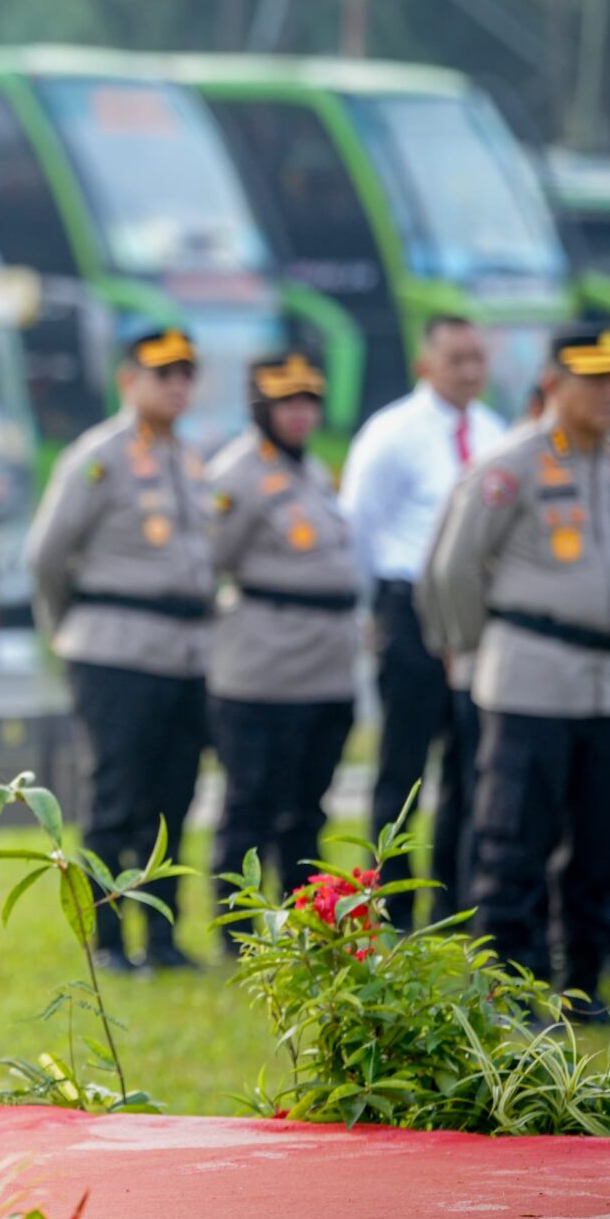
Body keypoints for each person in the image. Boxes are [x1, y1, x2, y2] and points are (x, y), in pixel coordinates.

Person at [420, 323, 610, 1015]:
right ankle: (506, 985)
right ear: (554, 382)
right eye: (595, 379)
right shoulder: (511, 462)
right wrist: (469, 646)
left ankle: (580, 980)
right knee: (514, 838)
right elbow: (451, 566)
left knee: (599, 838)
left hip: (606, 680)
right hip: (530, 675)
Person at [26, 327, 215, 972]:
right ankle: (106, 942)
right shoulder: (98, 456)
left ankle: (160, 937)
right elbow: (47, 555)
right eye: (162, 373)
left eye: (186, 373)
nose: (176, 385)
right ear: (127, 380)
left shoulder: (189, 460)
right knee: (115, 799)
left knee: (174, 799)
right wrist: (68, 630)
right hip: (115, 652)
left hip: (185, 654)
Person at [340, 315, 507, 922]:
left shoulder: (493, 432)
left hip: (472, 614)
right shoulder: (392, 433)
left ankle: (456, 898)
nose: (469, 372)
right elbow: (359, 526)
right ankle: (388, 900)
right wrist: (372, 610)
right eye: (456, 359)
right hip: (406, 608)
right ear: (425, 364)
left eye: (476, 359)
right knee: (403, 763)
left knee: (470, 759)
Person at [206, 352, 360, 915]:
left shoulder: (312, 470)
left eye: (309, 401)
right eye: (286, 402)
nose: (300, 414)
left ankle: (303, 920)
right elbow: (210, 562)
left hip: (325, 668)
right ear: (260, 406)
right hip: (262, 673)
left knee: (307, 809)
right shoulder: (236, 475)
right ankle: (239, 923)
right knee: (251, 805)